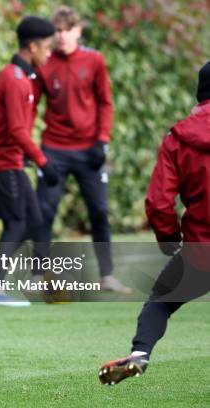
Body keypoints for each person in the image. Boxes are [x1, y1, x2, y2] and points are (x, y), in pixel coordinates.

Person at [99, 61, 210, 385]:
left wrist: (169, 239)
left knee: (160, 302)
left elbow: (159, 202)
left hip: (200, 250)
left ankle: (139, 354)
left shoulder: (178, 137)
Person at [32, 6, 130, 293]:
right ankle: (38, 275)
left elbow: (105, 102)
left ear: (78, 31)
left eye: (67, 30)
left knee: (99, 210)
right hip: (54, 150)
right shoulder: (45, 63)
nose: (61, 36)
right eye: (57, 31)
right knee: (44, 211)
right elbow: (31, 104)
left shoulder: (94, 60)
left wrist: (102, 140)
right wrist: (29, 145)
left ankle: (107, 276)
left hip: (90, 151)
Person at [0, 16, 58, 307]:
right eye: (47, 47)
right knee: (17, 222)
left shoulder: (22, 77)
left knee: (34, 220)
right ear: (33, 46)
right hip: (2, 162)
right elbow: (16, 130)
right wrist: (42, 161)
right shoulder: (14, 79)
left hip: (11, 161)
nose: (49, 54)